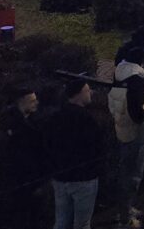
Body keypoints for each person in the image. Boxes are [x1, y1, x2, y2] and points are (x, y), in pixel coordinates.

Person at [42, 81, 108, 229]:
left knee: (61, 220)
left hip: (60, 177)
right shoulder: (87, 119)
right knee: (82, 223)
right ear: (79, 94)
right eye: (87, 91)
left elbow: (48, 144)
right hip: (84, 178)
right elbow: (97, 146)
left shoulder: (55, 117)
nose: (90, 93)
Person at [108, 60, 144, 214]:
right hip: (137, 134)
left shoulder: (117, 83)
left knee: (123, 169)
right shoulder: (137, 84)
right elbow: (140, 110)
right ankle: (126, 210)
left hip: (121, 132)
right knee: (134, 173)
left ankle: (121, 207)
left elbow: (114, 109)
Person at [0, 85, 49, 228]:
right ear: (22, 102)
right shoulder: (20, 127)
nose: (36, 103)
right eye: (32, 101)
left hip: (25, 180)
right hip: (22, 180)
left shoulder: (28, 124)